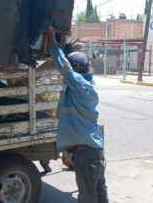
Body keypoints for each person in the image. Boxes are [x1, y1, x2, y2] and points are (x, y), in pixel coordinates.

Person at [46, 27, 108, 203]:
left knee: (87, 198)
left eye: (72, 69)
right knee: (100, 194)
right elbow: (68, 67)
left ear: (77, 69)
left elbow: (64, 68)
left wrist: (52, 41)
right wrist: (66, 47)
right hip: (94, 152)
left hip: (87, 155)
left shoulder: (81, 86)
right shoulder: (81, 86)